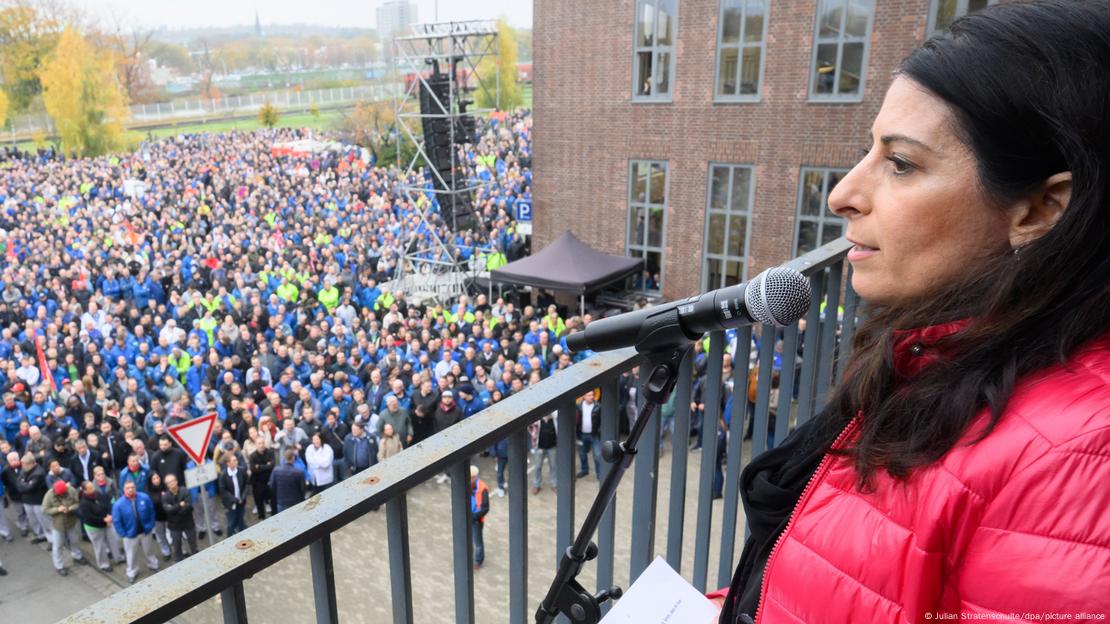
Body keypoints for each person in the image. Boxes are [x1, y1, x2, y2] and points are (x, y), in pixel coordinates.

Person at [715, 3, 1110, 622]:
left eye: (900, 163)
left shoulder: (1080, 464)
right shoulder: (933, 350)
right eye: (869, 152)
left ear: (1040, 209)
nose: (844, 194)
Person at [111, 480, 160, 584]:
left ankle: (153, 565)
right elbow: (116, 521)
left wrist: (150, 525)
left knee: (149, 550)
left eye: (132, 487)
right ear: (124, 490)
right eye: (128, 488)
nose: (130, 489)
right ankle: (132, 573)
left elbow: (152, 512)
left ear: (135, 488)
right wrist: (123, 533)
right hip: (130, 535)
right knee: (131, 554)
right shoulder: (118, 504)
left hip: (145, 532)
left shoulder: (144, 497)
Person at [42, 480, 86, 575]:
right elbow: (45, 509)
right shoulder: (49, 495)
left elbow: (77, 503)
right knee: (57, 545)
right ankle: (59, 566)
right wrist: (57, 509)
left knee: (74, 540)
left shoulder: (71, 490)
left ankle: (77, 556)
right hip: (58, 524)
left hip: (71, 521)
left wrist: (70, 508)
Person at [77, 479, 115, 571]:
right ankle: (103, 565)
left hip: (106, 521)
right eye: (90, 488)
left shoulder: (97, 494)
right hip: (93, 527)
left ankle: (115, 555)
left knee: (112, 540)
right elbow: (89, 518)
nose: (93, 489)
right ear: (85, 490)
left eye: (92, 487)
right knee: (99, 546)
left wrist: (109, 515)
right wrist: (104, 520)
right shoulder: (83, 503)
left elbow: (107, 503)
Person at [162, 474, 197, 561]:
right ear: (167, 485)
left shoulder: (185, 491)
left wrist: (175, 510)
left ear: (176, 481)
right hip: (175, 526)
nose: (172, 483)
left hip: (188, 522)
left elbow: (189, 506)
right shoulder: (165, 496)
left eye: (173, 480)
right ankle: (179, 562)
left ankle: (197, 559)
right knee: (177, 546)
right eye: (169, 482)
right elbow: (168, 510)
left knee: (193, 543)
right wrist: (179, 505)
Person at [218, 453, 249, 536]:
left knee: (241, 520)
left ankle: (243, 535)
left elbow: (246, 484)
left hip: (241, 502)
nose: (237, 462)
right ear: (228, 463)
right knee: (231, 523)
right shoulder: (223, 475)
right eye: (234, 460)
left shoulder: (241, 471)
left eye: (236, 460)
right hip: (230, 504)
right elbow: (223, 491)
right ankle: (230, 537)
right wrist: (234, 499)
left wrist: (243, 497)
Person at [575, 392, 602, 479]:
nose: (591, 397)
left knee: (598, 455)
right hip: (582, 435)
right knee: (582, 453)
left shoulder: (598, 406)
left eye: (592, 395)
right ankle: (584, 470)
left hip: (594, 435)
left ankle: (599, 475)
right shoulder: (579, 406)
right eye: (589, 395)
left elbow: (601, 421)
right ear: (584, 396)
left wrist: (599, 431)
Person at [530, 411, 557, 495]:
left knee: (554, 466)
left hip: (552, 447)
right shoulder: (537, 419)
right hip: (539, 447)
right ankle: (536, 485)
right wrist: (534, 438)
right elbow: (529, 427)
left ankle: (554, 484)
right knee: (537, 467)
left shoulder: (555, 418)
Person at [248, 436, 275, 519]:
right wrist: (266, 465)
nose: (262, 445)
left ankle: (275, 517)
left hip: (269, 481)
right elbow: (253, 469)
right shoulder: (252, 456)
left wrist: (258, 466)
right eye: (259, 443)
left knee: (273, 502)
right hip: (257, 483)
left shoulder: (270, 452)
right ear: (256, 445)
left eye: (263, 443)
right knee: (259, 504)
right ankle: (262, 518)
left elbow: (272, 466)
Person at [469, 465, 490, 570]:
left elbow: (485, 508)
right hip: (467, 516)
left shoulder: (483, 488)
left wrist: (473, 517)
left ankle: (478, 560)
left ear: (474, 477)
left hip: (476, 520)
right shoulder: (467, 485)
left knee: (477, 542)